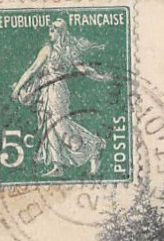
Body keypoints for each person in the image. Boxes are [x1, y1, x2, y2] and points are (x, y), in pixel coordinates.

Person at [11, 19, 112, 177]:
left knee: (60, 124)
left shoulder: (59, 50)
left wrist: (99, 77)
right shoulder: (57, 49)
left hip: (57, 91)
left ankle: (94, 146)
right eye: (50, 30)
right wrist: (18, 88)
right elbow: (34, 70)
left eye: (53, 30)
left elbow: (82, 68)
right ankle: (57, 165)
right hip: (48, 91)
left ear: (61, 32)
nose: (50, 33)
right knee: (48, 124)